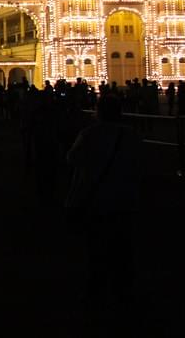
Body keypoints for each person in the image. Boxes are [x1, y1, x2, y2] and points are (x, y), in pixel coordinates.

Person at [65, 97, 144, 310]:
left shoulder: (89, 134)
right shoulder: (132, 135)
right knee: (123, 249)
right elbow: (140, 163)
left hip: (97, 199)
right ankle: (125, 293)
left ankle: (95, 292)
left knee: (96, 248)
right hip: (125, 199)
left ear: (99, 113)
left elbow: (72, 159)